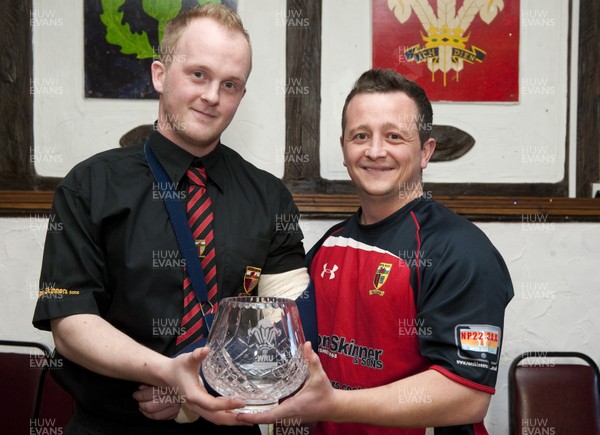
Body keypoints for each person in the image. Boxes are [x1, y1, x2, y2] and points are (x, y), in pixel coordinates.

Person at [32, 4, 308, 434]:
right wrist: (167, 372)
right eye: (198, 74)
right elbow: (70, 321)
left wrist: (195, 394)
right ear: (160, 75)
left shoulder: (270, 197)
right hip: (110, 425)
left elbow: (289, 327)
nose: (212, 96)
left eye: (230, 84)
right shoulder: (89, 185)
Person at [237, 69, 514, 434]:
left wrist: (335, 405)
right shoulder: (327, 247)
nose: (375, 150)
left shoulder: (460, 251)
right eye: (361, 135)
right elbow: (283, 346)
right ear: (344, 147)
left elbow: (466, 394)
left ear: (426, 151)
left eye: (394, 136)